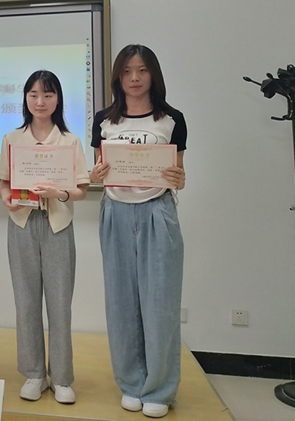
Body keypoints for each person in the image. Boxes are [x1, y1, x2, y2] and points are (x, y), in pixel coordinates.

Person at [89, 44, 187, 419]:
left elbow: (178, 174)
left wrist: (179, 178)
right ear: (118, 76)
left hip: (157, 212)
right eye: (127, 71)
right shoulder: (104, 120)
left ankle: (159, 389)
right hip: (115, 212)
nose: (134, 78)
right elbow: (97, 170)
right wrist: (94, 175)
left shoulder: (171, 119)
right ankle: (131, 384)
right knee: (121, 303)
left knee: (160, 304)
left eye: (142, 70)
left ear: (153, 75)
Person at [0, 70, 89, 404]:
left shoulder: (70, 141)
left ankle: (61, 377)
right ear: (25, 98)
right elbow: (4, 182)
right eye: (34, 94)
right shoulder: (12, 139)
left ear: (58, 99)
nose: (40, 101)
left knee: (60, 303)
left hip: (57, 225)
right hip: (22, 223)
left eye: (48, 95)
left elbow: (81, 189)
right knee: (26, 302)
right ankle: (34, 373)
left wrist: (58, 193)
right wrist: (6, 199)